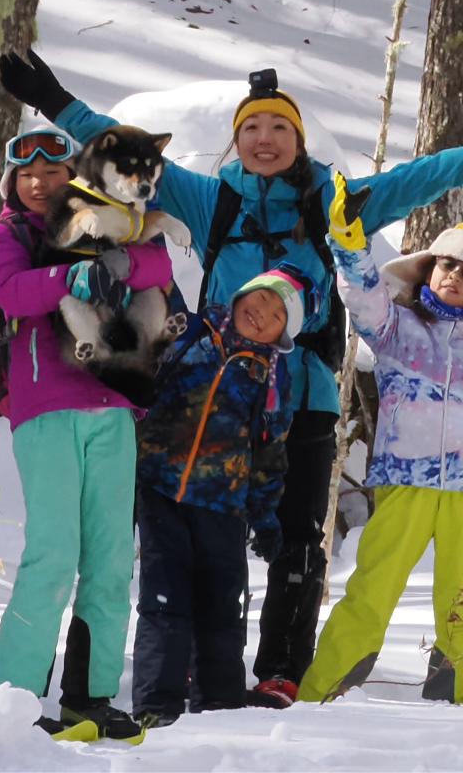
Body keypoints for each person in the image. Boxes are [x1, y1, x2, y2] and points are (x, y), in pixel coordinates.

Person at [0, 49, 463, 706]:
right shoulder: (208, 198)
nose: (265, 140)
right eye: (252, 129)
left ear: (297, 141)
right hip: (216, 401)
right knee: (206, 536)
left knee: (298, 541)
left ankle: (280, 671)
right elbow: (115, 145)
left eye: (279, 129)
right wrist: (53, 97)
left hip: (304, 395)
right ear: (236, 141)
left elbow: (416, 180)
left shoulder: (331, 198)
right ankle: (185, 664)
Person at [296, 190, 463, 706]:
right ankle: (321, 695)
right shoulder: (396, 328)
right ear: (428, 267)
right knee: (372, 589)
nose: (455, 275)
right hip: (405, 479)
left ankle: (461, 702)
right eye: (446, 263)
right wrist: (349, 242)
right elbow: (361, 296)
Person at [0, 126, 173, 740]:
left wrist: (117, 260)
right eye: (27, 175)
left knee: (113, 561)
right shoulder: (6, 234)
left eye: (54, 173)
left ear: (76, 175)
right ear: (12, 183)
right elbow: (9, 289)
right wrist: (73, 279)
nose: (40, 184)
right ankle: (8, 698)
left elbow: (161, 259)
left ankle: (89, 698)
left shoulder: (116, 215)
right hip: (46, 407)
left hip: (114, 406)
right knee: (54, 555)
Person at [131, 267, 308, 726]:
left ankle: (220, 706)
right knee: (164, 599)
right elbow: (138, 378)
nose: (261, 314)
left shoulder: (269, 373)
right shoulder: (191, 331)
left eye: (275, 315)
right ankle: (157, 706)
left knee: (220, 606)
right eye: (259, 299)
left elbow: (271, 450)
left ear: (281, 334)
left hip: (224, 504)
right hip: (159, 488)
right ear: (239, 294)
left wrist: (265, 515)